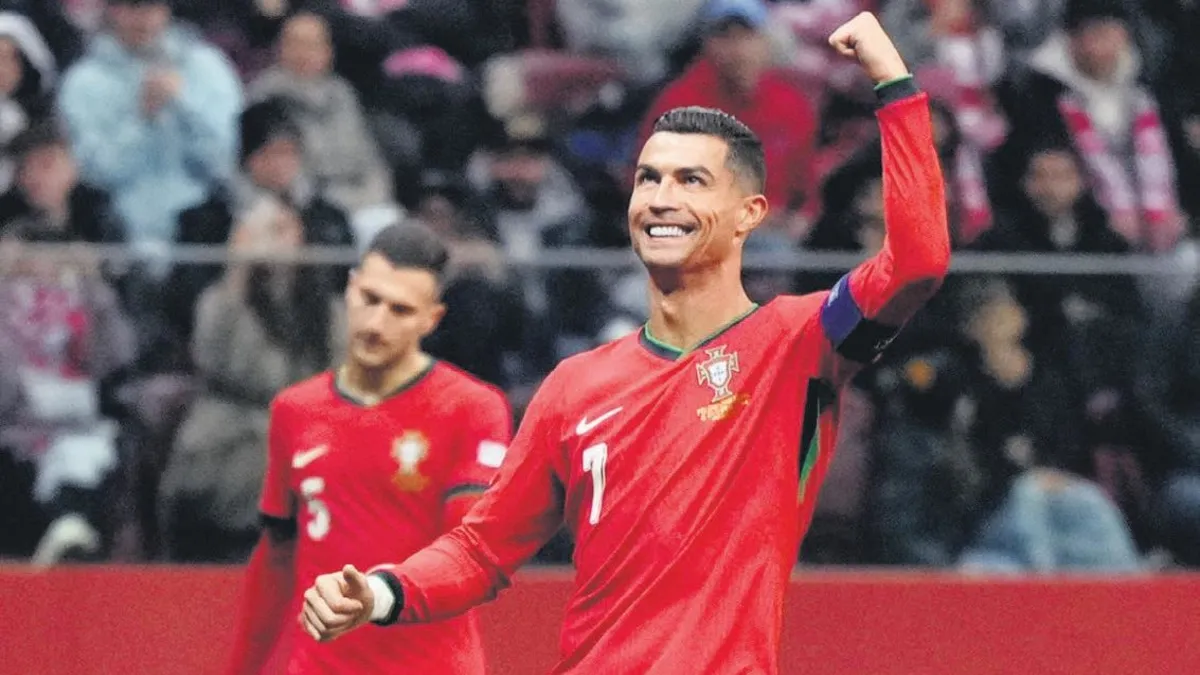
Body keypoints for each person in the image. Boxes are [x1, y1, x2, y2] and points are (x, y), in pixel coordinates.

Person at [300, 13, 950, 674]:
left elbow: (917, 262)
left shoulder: (796, 344)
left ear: (748, 214)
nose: (661, 198)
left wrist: (894, 85)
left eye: (691, 180)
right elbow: (481, 549)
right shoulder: (575, 384)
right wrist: (382, 591)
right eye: (648, 178)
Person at [224, 223, 513, 674]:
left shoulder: (472, 409)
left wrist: (380, 595)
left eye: (400, 310)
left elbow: (467, 552)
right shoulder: (294, 410)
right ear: (350, 288)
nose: (377, 323)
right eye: (370, 299)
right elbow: (276, 559)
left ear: (431, 319)